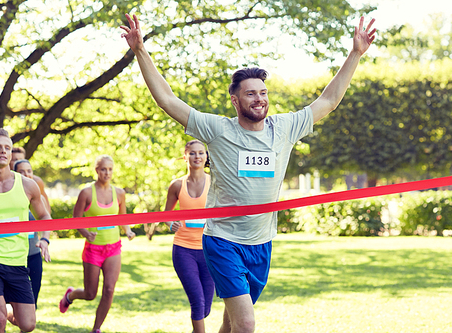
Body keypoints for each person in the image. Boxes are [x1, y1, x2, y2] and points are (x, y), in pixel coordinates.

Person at [121, 14, 376, 333]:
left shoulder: (284, 128)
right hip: (223, 240)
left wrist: (356, 54)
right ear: (236, 99)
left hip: (262, 242)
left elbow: (329, 100)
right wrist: (140, 51)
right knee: (246, 325)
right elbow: (167, 100)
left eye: (263, 93)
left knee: (231, 325)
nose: (260, 99)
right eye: (251, 93)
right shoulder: (217, 129)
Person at [0, 128, 52, 333]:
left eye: (7, 148)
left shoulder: (28, 186)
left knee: (28, 324)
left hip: (18, 261)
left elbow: (44, 216)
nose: (3, 152)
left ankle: (0, 304)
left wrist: (45, 240)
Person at [59, 155, 136, 333]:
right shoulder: (86, 193)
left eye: (110, 169)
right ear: (96, 170)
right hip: (93, 249)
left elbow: (123, 218)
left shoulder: (119, 193)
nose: (107, 173)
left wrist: (128, 231)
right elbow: (76, 220)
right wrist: (86, 233)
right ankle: (70, 295)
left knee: (109, 289)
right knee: (90, 294)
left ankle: (96, 329)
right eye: (103, 169)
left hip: (113, 248)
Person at [164, 140, 214, 333]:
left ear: (206, 156)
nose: (197, 157)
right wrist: (171, 224)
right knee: (198, 302)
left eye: (201, 153)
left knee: (205, 308)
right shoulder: (176, 185)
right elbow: (167, 214)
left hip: (209, 251)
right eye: (192, 153)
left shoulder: (215, 181)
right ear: (185, 157)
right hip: (183, 249)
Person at [13, 159, 52, 309]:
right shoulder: (9, 196)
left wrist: (45, 240)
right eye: (21, 171)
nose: (26, 175)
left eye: (29, 171)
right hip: (14, 255)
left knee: (32, 302)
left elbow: (46, 220)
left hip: (33, 252)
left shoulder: (38, 197)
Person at [10, 147, 51, 214]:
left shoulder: (36, 181)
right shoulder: (5, 181)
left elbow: (45, 205)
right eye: (15, 160)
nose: (18, 162)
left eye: (21, 159)